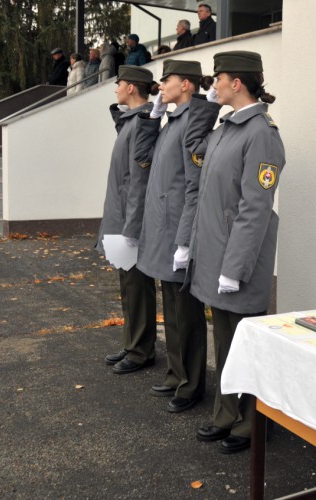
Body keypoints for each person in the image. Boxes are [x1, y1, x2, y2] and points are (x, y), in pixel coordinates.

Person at [190, 51, 284, 454]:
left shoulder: (260, 132)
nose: (213, 86)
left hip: (237, 259)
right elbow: (195, 157)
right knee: (225, 340)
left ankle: (250, 422)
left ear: (237, 83)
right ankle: (225, 413)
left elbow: (254, 207)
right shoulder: (228, 126)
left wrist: (235, 268)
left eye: (218, 80)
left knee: (244, 342)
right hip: (216, 253)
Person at [135, 60, 221, 412]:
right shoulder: (170, 122)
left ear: (186, 84)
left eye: (166, 80)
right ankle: (176, 371)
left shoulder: (192, 123)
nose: (161, 85)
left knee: (185, 312)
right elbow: (142, 157)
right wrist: (152, 116)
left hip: (176, 230)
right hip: (161, 228)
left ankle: (191, 385)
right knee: (170, 309)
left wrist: (185, 240)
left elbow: (192, 187)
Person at [96, 66, 160, 375]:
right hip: (121, 216)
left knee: (137, 286)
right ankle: (132, 342)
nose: (115, 88)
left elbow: (139, 181)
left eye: (119, 83)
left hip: (129, 219)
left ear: (132, 87)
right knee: (127, 284)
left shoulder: (142, 123)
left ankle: (141, 349)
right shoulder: (132, 121)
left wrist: (132, 228)